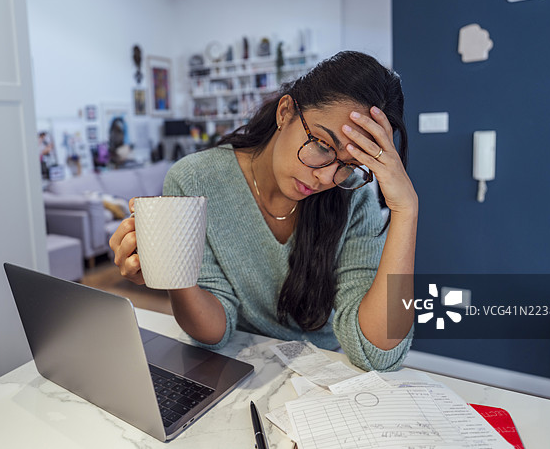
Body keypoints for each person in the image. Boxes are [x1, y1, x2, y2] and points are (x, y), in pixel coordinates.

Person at [109, 51, 417, 371]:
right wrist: (173, 270)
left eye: (350, 165)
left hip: (322, 372)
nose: (327, 177)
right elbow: (214, 333)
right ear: (285, 112)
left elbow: (377, 353)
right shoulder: (195, 180)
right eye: (322, 145)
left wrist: (405, 211)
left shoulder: (355, 197)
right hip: (236, 368)